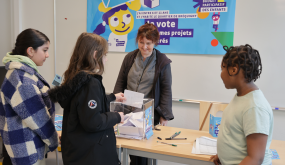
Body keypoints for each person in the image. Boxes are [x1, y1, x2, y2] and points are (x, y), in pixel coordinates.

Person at [48, 32, 125, 165]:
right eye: (105, 55)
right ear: (95, 55)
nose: (106, 59)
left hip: (77, 151)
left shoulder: (74, 77)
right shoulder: (91, 83)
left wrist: (113, 97)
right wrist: (117, 116)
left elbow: (85, 105)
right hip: (91, 155)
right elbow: (93, 121)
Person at [113, 23, 174, 165]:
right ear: (137, 41)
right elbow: (120, 81)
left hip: (147, 114)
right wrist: (115, 105)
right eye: (141, 42)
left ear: (155, 43)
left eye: (148, 43)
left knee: (142, 155)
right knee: (128, 149)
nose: (144, 47)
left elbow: (166, 89)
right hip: (127, 112)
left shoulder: (162, 62)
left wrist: (164, 115)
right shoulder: (129, 58)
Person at [0, 28, 59, 165]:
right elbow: (39, 119)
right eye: (44, 50)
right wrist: (53, 140)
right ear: (30, 51)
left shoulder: (21, 73)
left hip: (24, 147)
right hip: (27, 151)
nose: (48, 55)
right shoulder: (22, 79)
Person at [210, 44, 273, 165]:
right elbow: (236, 135)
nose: (221, 74)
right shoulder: (241, 96)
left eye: (222, 68)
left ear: (233, 70)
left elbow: (255, 159)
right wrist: (223, 156)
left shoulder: (255, 107)